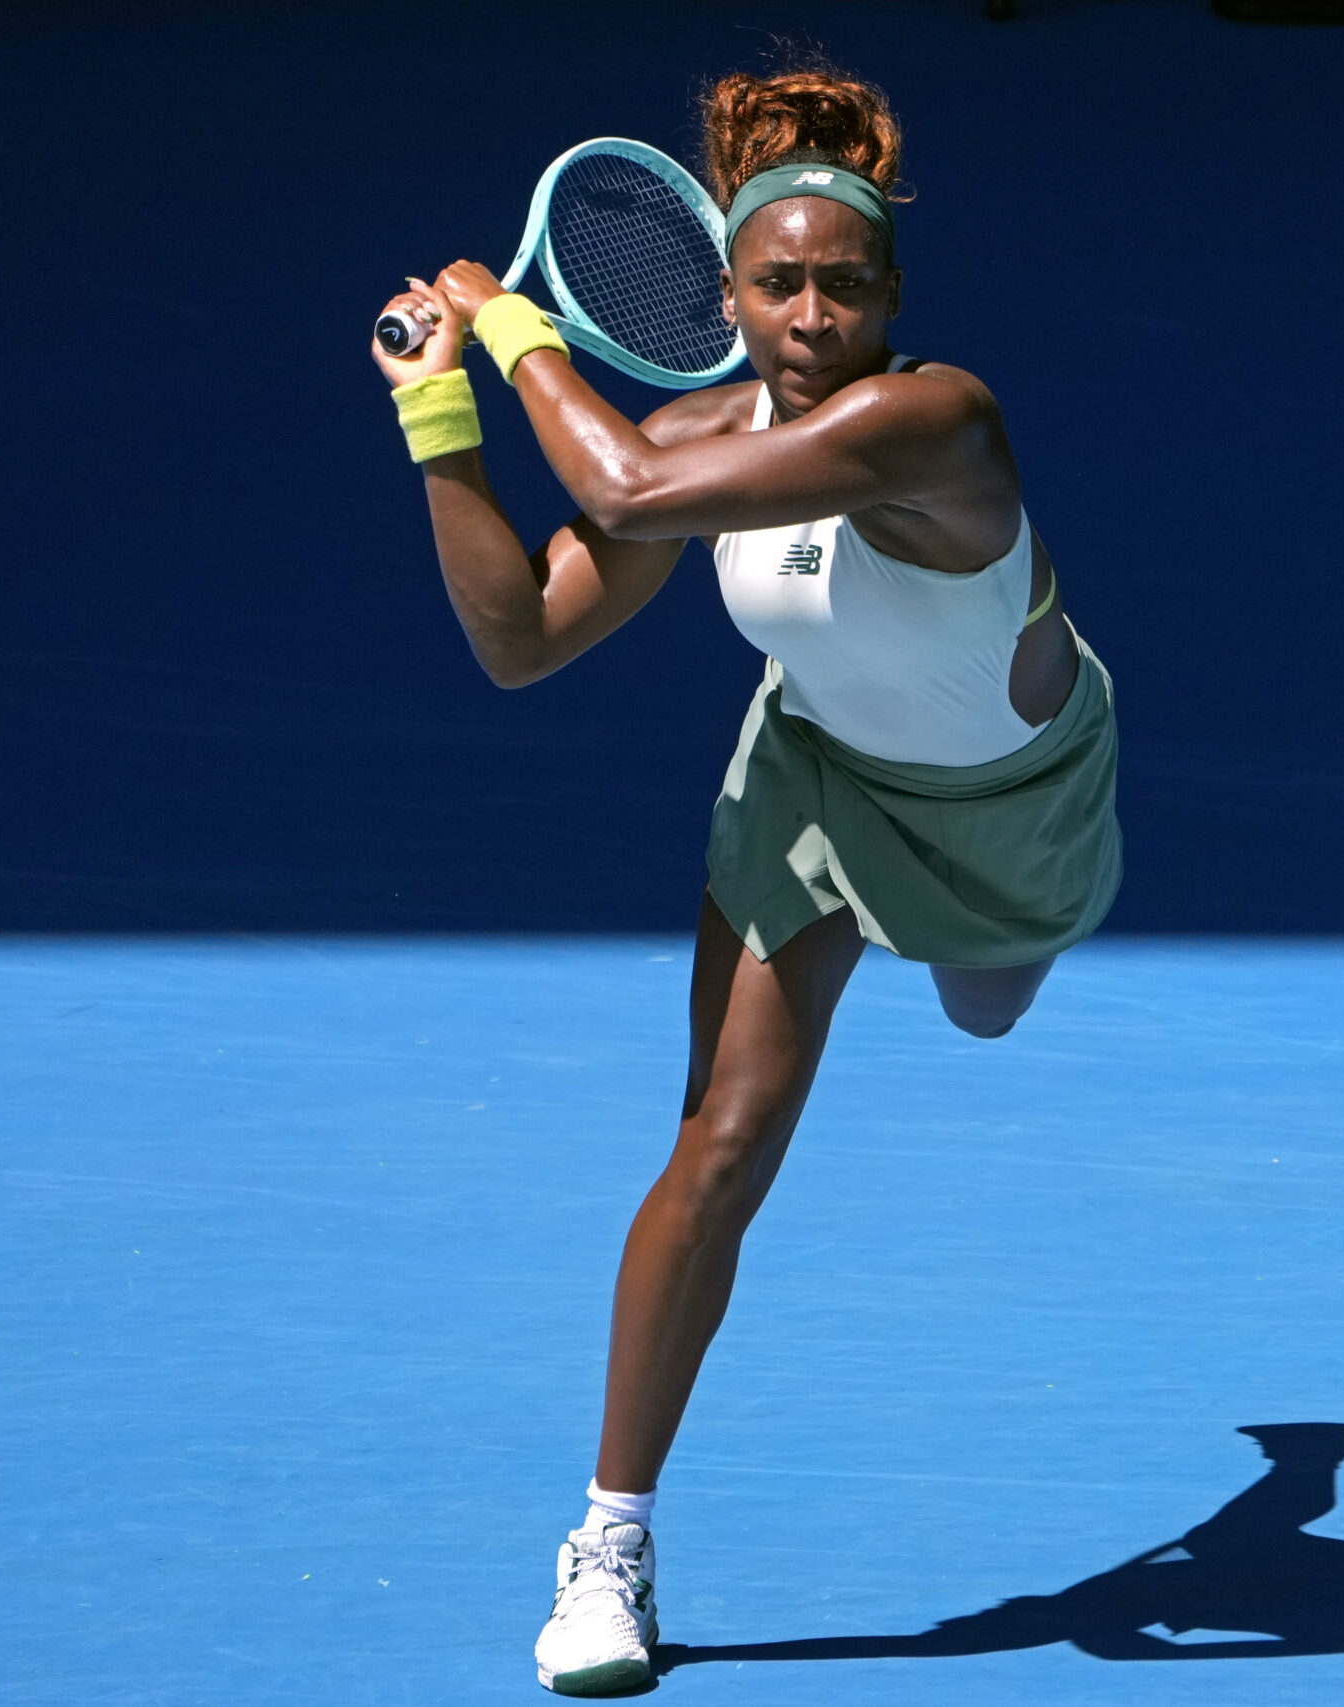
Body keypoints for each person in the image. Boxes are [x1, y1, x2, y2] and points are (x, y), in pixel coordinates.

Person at [367, 58, 1121, 1697]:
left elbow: (622, 489)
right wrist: (440, 420)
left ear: (892, 296)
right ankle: (610, 1542)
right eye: (775, 284)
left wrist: (512, 330)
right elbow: (521, 640)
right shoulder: (707, 429)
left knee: (986, 1008)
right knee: (718, 1139)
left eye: (843, 285)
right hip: (814, 775)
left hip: (1013, 807)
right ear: (728, 295)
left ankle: (988, 948)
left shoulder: (939, 421)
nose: (808, 314)